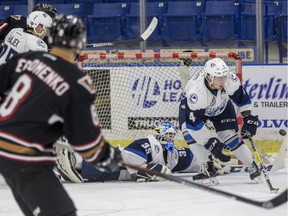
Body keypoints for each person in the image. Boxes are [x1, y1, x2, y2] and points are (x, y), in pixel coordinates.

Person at [0, 14, 120, 216]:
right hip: (26, 157)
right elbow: (86, 143)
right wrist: (108, 157)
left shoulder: (27, 58)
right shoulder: (76, 81)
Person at [55, 121, 226, 183]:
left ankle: (70, 167)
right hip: (120, 161)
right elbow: (129, 158)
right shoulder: (149, 142)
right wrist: (146, 171)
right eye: (167, 135)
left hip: (121, 173)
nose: (170, 138)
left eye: (173, 135)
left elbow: (191, 159)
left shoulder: (174, 154)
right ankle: (73, 158)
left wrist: (208, 162)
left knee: (101, 174)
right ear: (158, 134)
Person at [178, 57, 261, 184]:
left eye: (224, 76)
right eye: (218, 77)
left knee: (229, 137)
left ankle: (252, 165)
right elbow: (194, 125)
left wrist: (248, 117)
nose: (223, 80)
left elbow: (242, 99)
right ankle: (207, 168)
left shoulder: (230, 80)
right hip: (194, 110)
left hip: (221, 106)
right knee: (189, 133)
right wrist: (210, 143)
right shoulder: (196, 93)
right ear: (209, 77)